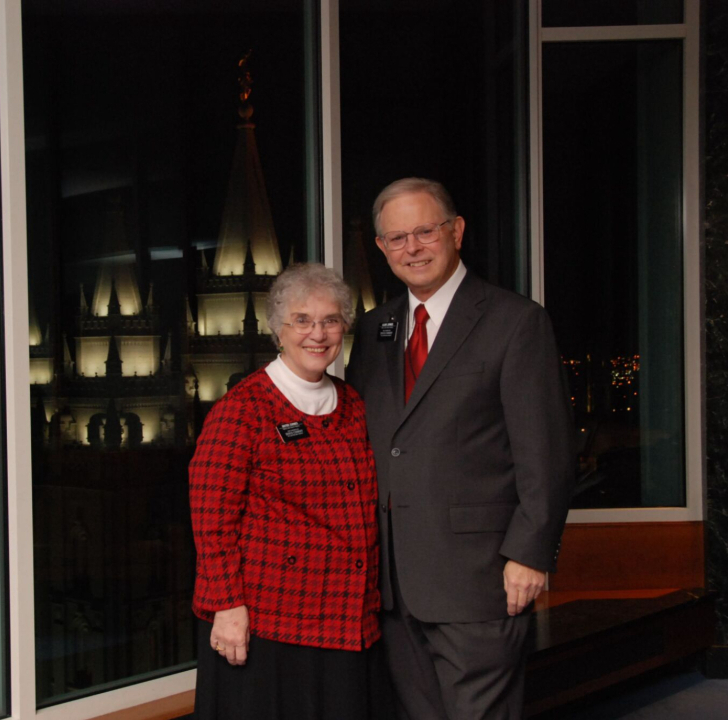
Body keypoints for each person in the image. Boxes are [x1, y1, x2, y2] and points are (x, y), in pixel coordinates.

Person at [346, 177, 575, 720]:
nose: (413, 248)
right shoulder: (374, 329)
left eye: (425, 231)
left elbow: (548, 450)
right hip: (391, 582)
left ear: (457, 231)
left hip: (479, 576)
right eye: (397, 238)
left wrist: (530, 552)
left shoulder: (515, 321)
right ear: (381, 248)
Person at [190, 262, 381, 720]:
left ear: (345, 328)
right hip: (271, 622)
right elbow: (211, 520)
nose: (318, 333)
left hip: (349, 617)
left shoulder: (352, 403)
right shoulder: (242, 409)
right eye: (302, 320)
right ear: (278, 328)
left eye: (330, 320)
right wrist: (227, 606)